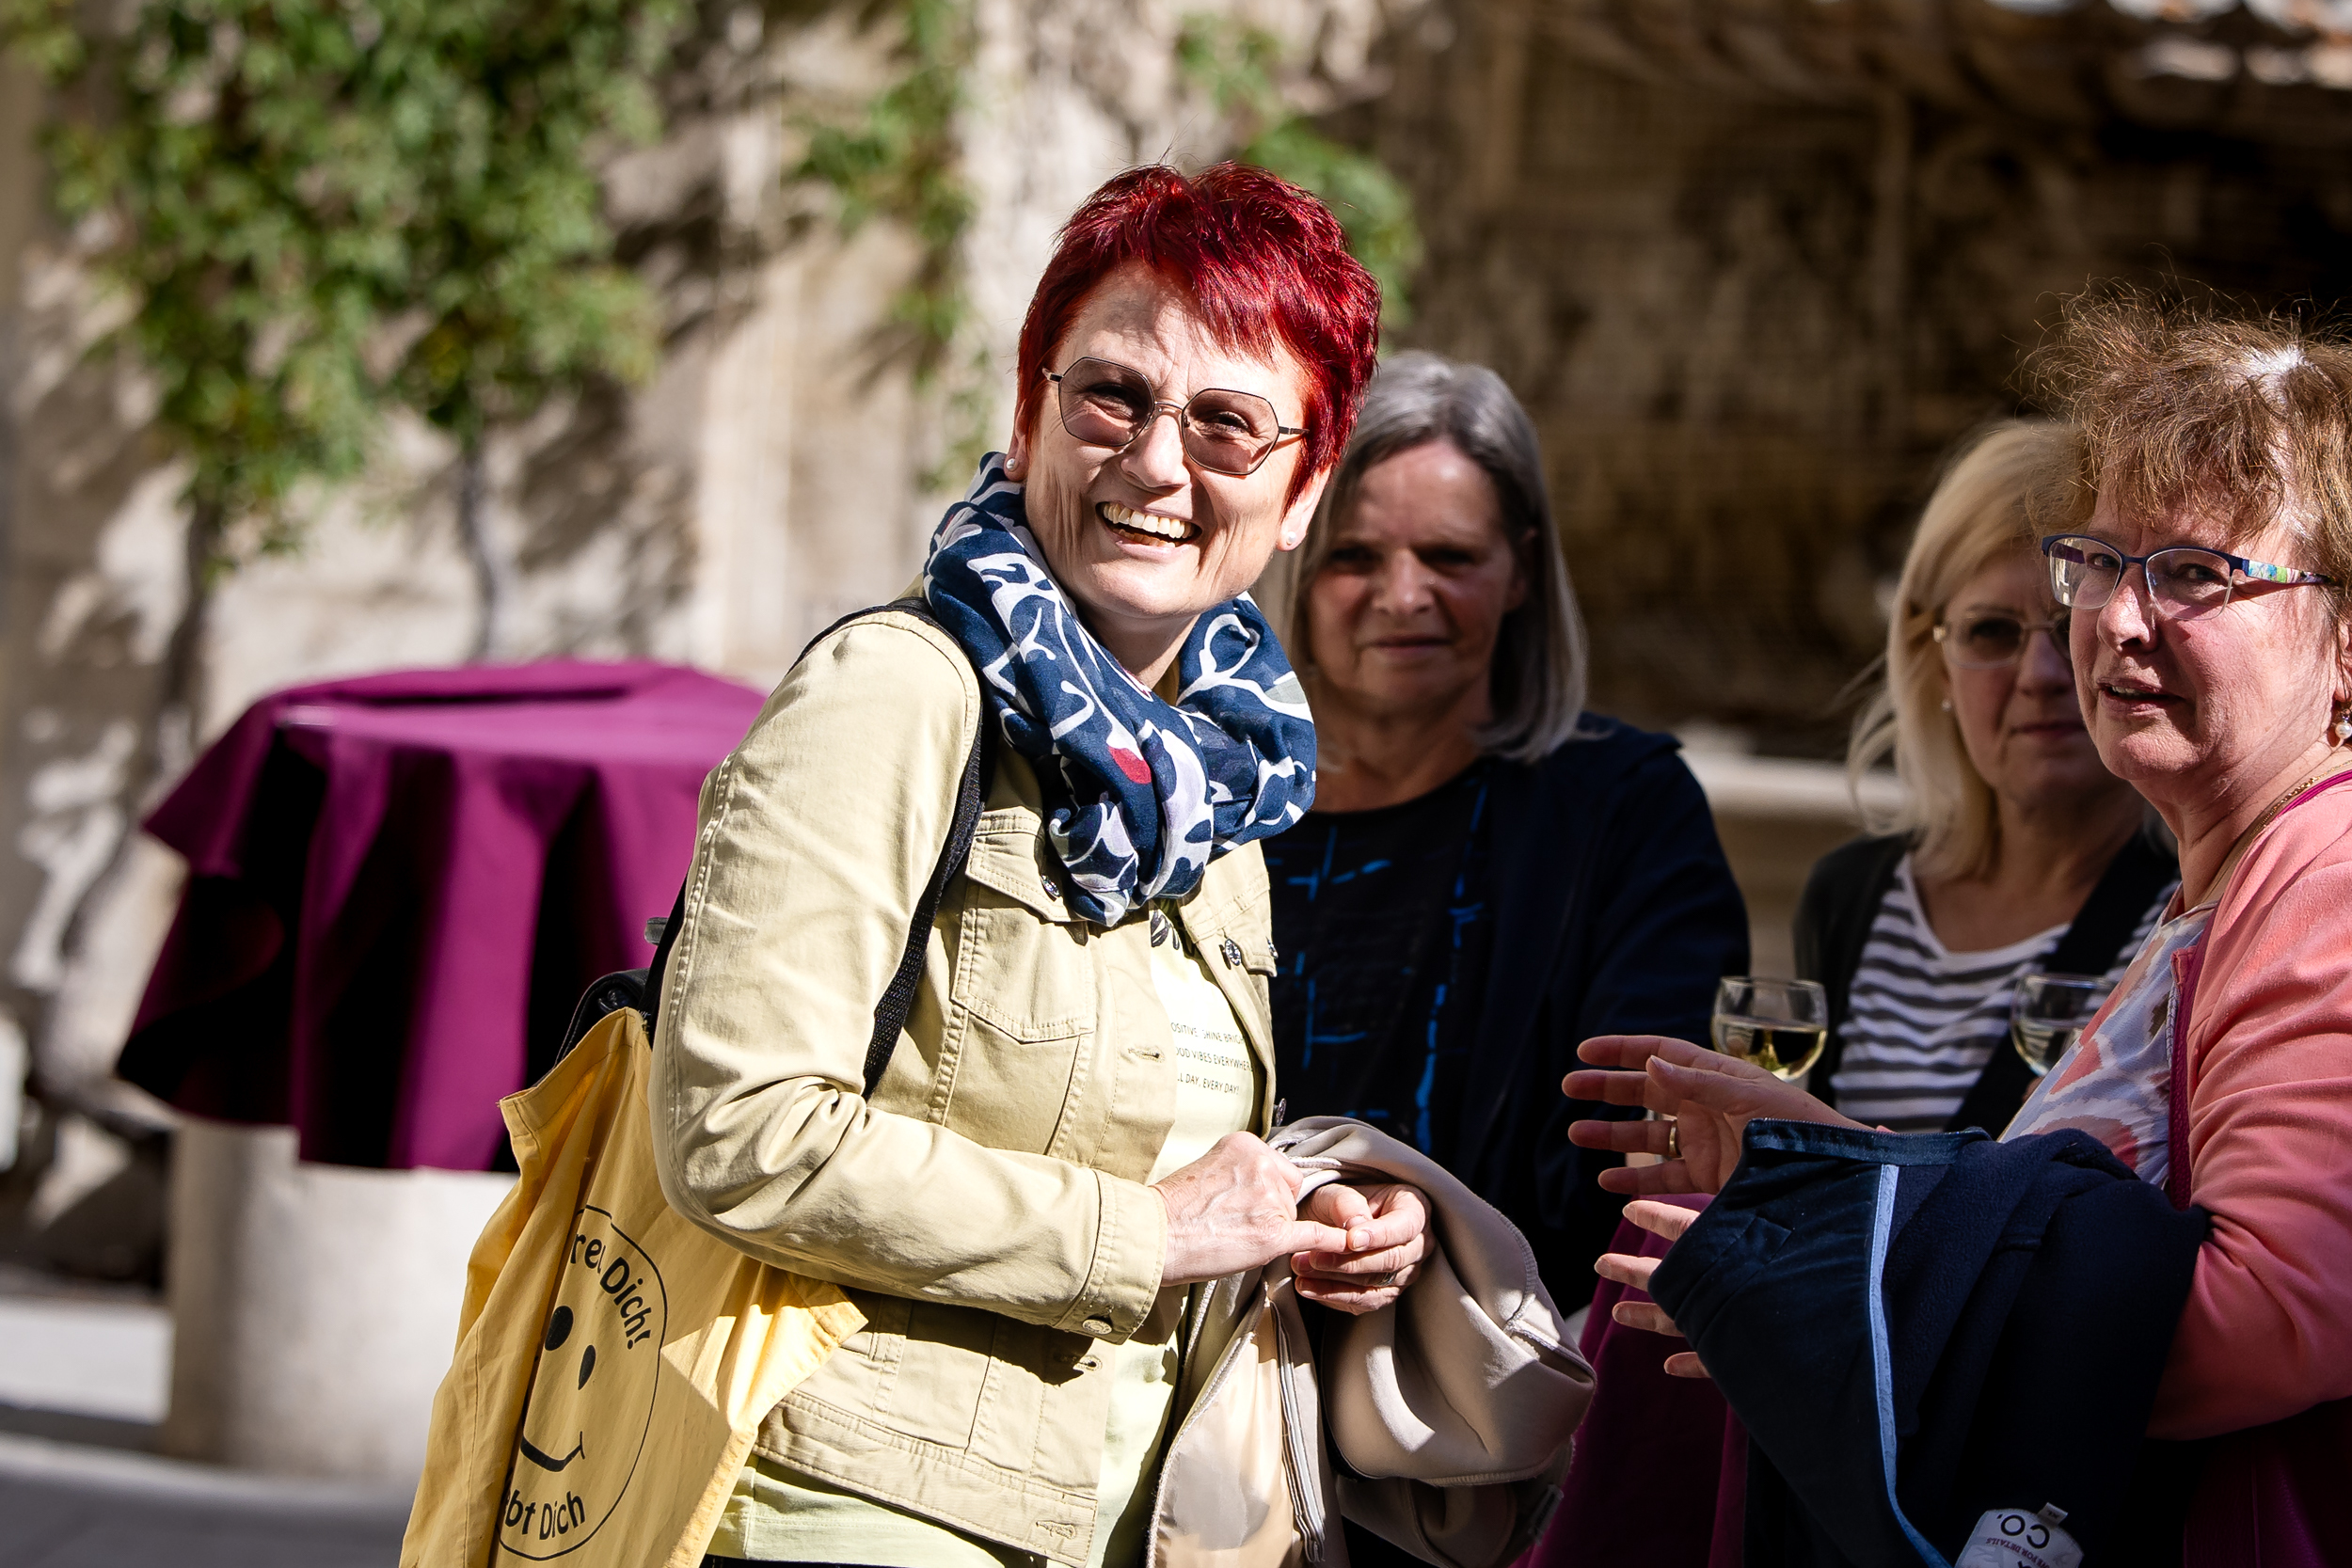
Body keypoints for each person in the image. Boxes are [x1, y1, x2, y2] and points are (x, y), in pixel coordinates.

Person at [648, 165, 1426, 1568]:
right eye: (1111, 397)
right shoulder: (898, 689)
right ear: (1028, 415)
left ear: (1304, 489)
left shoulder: (1223, 774)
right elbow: (740, 1129)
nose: (1157, 464)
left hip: (1124, 1517)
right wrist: (1147, 1233)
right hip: (860, 1513)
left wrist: (1300, 1224)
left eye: (1227, 425)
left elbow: (1135, 1145)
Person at [1568, 294, 2352, 1562]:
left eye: (2193, 572)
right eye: (2099, 562)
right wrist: (1832, 1164)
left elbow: (2268, 1318)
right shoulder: (2221, 883)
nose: (2117, 620)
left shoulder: (2330, 878)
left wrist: (1848, 1283)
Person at [1259, 351, 1750, 1312]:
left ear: (1520, 569)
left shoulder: (1624, 812)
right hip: (1217, 1333)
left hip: (1503, 1353)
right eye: (1354, 557)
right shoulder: (1218, 805)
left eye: (1449, 557)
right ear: (1295, 564)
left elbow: (1638, 1148)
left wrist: (1429, 1227)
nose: (1404, 595)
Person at [1798, 419, 2176, 1138]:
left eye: (2070, 622)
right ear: (1935, 661)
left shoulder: (2187, 915)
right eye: (1991, 631)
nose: (2039, 674)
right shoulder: (1850, 898)